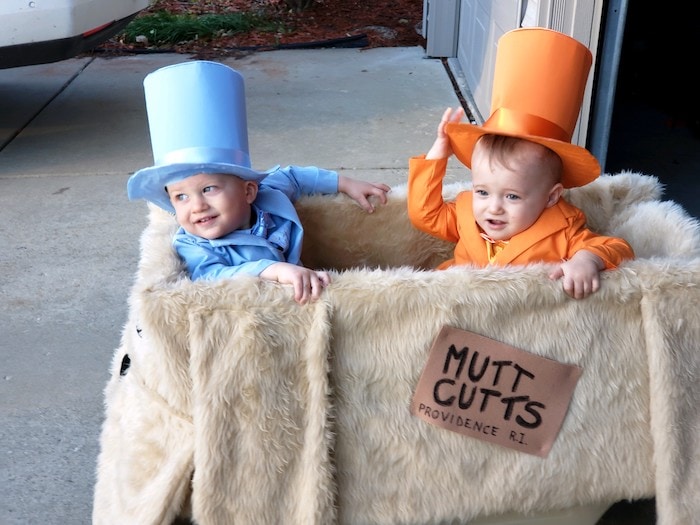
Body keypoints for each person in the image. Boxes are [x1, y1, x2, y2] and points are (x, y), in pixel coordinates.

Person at [128, 60, 390, 305]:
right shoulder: (193, 244)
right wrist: (273, 269)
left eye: (208, 189)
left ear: (249, 191)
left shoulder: (270, 194)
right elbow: (211, 277)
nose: (197, 206)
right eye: (180, 197)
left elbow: (295, 177)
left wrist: (345, 183)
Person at [407, 27, 634, 300]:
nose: (494, 207)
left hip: (519, 321)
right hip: (458, 308)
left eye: (512, 196)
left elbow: (617, 246)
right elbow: (424, 214)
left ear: (551, 197)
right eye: (482, 191)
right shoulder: (466, 212)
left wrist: (587, 260)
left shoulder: (562, 228)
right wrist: (437, 155)